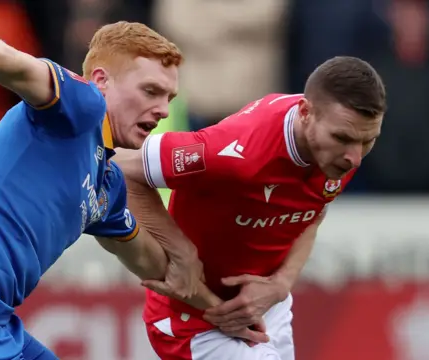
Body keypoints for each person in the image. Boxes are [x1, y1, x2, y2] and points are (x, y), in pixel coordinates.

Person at [0, 14, 209, 359]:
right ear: (101, 81)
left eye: (168, 97)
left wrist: (225, 310)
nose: (162, 111)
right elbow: (17, 65)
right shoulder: (82, 106)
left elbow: (153, 264)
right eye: (150, 91)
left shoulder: (105, 184)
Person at [115, 56, 387, 359]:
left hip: (268, 309)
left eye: (368, 141)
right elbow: (121, 169)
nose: (355, 158)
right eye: (343, 139)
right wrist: (181, 253)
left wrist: (281, 284)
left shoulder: (341, 141)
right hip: (194, 323)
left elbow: (313, 210)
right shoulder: (235, 151)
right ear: (306, 113)